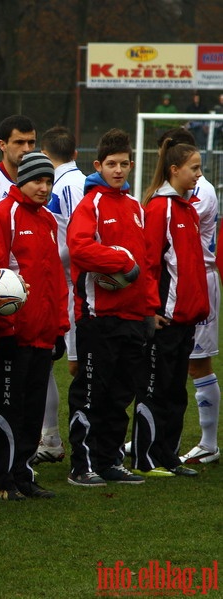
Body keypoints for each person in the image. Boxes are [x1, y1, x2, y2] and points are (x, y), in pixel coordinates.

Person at [66, 128, 154, 487]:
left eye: (124, 164)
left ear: (131, 166)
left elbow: (146, 264)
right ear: (98, 165)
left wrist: (150, 309)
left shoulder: (135, 208)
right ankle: (81, 465)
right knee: (90, 392)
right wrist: (120, 261)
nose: (118, 170)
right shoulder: (92, 204)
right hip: (98, 317)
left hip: (133, 317)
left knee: (120, 395)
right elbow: (80, 248)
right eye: (111, 164)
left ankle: (110, 462)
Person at [0, 152, 69, 501]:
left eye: (49, 181)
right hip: (14, 333)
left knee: (33, 408)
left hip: (42, 332)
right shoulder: (3, 215)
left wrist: (59, 328)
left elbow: (54, 280)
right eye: (37, 180)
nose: (44, 187)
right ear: (21, 180)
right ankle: (0, 478)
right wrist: (4, 329)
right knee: (8, 405)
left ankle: (24, 473)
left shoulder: (49, 220)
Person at [131, 138, 209, 478]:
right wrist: (150, 309)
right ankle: (146, 458)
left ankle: (169, 454)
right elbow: (148, 264)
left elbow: (190, 267)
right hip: (164, 318)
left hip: (186, 319)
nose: (198, 175)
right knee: (155, 387)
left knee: (176, 390)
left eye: (200, 169)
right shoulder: (159, 208)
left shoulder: (188, 209)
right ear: (174, 170)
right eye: (194, 169)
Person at [155, 129, 222, 465]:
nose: (197, 173)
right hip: (182, 282)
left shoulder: (200, 193)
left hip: (198, 280)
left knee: (197, 363)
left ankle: (209, 443)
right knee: (174, 367)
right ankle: (160, 439)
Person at [35, 126, 87, 464]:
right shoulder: (84, 181)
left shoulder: (62, 186)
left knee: (73, 367)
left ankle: (60, 437)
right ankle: (52, 437)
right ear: (76, 154)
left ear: (44, 153)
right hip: (75, 287)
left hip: (68, 288)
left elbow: (76, 241)